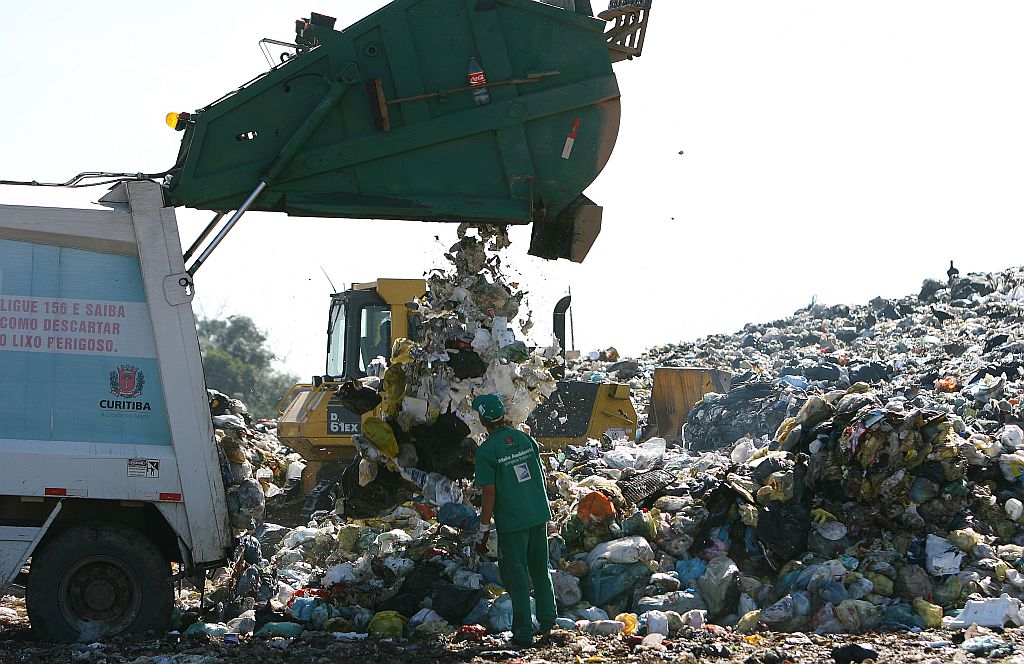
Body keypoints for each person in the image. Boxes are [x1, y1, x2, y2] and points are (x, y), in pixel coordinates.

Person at [472, 393, 557, 647]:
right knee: (541, 570)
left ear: (483, 420)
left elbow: (489, 492)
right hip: (537, 514)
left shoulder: (486, 451)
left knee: (517, 576)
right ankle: (548, 622)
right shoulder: (524, 439)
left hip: (512, 521)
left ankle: (522, 633)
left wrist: (483, 528)